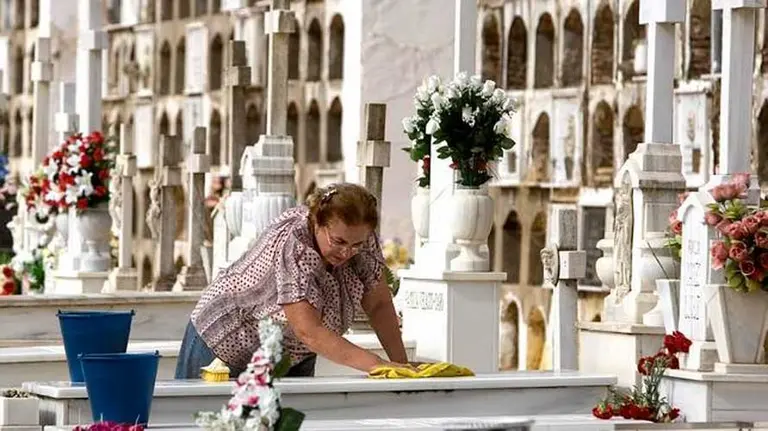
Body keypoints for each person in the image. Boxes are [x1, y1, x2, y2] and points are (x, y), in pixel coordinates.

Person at [175, 183, 412, 378]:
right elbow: (308, 330)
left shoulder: (360, 236)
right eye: (338, 242)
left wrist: (402, 366)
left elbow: (378, 303)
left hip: (293, 351)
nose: (347, 252)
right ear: (317, 222)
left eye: (356, 244)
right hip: (228, 341)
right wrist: (378, 365)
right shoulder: (295, 242)